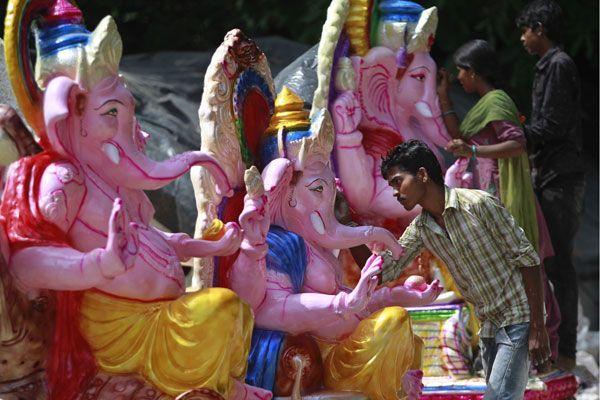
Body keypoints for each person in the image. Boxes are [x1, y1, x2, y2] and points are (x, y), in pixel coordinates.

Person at [380, 140, 550, 400]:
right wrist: (350, 226)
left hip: (519, 316)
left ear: (423, 175)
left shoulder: (479, 204)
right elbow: (385, 272)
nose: (395, 192)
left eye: (398, 182)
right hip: (488, 325)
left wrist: (538, 327)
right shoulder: (421, 229)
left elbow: (528, 260)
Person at [436, 39, 561, 361]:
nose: (460, 78)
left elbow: (516, 144)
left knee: (523, 266)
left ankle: (543, 344)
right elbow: (460, 139)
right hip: (487, 192)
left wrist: (474, 152)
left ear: (474, 72)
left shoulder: (497, 101)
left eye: (462, 72)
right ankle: (512, 348)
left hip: (505, 192)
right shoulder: (483, 104)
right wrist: (443, 97)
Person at [516, 0, 584, 371]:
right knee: (550, 264)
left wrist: (514, 135)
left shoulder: (558, 65)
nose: (523, 39)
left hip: (562, 177)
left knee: (560, 267)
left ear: (540, 28)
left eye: (526, 31)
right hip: (549, 175)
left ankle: (568, 352)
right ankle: (559, 349)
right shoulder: (547, 68)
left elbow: (552, 126)